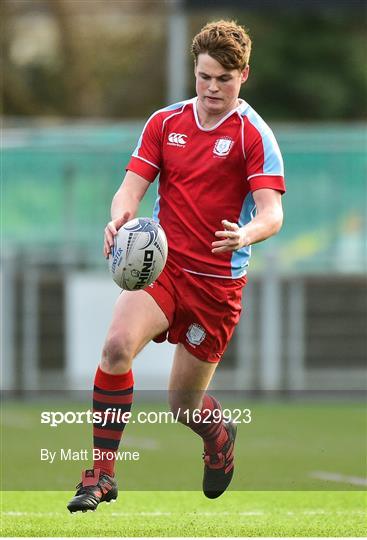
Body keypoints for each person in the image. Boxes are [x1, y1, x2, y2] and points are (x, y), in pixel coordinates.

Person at [67, 19, 285, 513]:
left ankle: (218, 436)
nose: (212, 88)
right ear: (194, 70)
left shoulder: (254, 134)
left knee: (182, 407)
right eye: (204, 76)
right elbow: (131, 185)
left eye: (223, 79)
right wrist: (120, 217)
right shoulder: (165, 123)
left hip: (216, 286)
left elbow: (272, 212)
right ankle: (101, 476)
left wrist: (245, 234)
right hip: (163, 269)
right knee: (116, 347)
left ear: (243, 75)